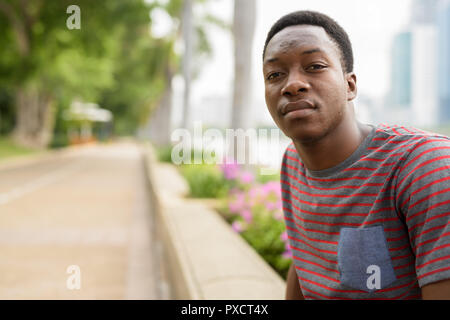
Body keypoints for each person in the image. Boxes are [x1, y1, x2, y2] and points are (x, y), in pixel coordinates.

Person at [262, 10, 450, 299]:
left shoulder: (424, 166)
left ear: (350, 85)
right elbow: (306, 260)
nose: (292, 84)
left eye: (314, 66)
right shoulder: (293, 164)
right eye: (275, 74)